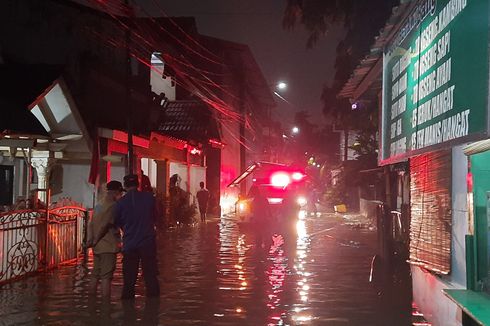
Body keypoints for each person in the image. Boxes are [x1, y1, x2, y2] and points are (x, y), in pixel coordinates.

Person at [114, 174, 160, 300]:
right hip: (148, 243)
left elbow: (116, 222)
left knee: (129, 280)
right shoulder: (149, 198)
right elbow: (156, 217)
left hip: (130, 244)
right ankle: (153, 311)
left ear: (125, 186)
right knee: (151, 277)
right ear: (138, 184)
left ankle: (128, 313)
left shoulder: (121, 202)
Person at [87, 180, 124, 299]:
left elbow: (91, 223)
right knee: (106, 278)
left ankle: (91, 302)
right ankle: (105, 306)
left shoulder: (99, 204)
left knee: (95, 275)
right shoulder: (113, 206)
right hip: (107, 245)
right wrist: (96, 239)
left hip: (97, 247)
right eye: (120, 193)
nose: (121, 196)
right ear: (116, 192)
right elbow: (105, 225)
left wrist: (91, 240)